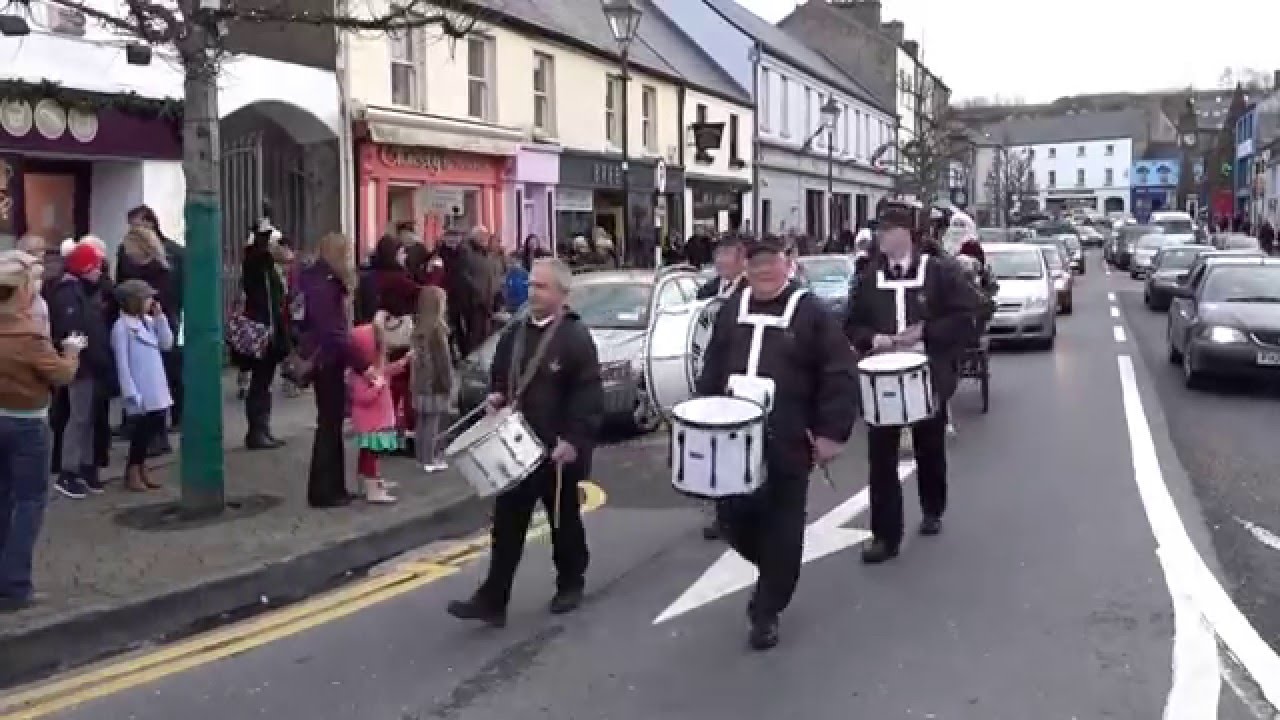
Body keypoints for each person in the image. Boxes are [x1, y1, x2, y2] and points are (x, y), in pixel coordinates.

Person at [694, 236, 859, 651]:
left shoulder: (811, 313)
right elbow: (714, 364)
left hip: (788, 438)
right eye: (756, 264)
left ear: (786, 265)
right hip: (732, 439)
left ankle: (766, 611)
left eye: (772, 263)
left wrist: (830, 433)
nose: (764, 272)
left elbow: (839, 373)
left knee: (784, 525)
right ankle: (776, 570)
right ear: (746, 267)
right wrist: (702, 413)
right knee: (731, 520)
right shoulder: (732, 308)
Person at [448, 258, 604, 627]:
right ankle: (493, 599)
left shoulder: (575, 338)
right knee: (506, 526)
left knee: (563, 522)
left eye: (541, 287)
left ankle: (570, 582)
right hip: (516, 448)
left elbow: (588, 396)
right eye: (531, 285)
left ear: (562, 294)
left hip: (557, 452)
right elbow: (501, 377)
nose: (532, 292)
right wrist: (496, 397)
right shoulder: (515, 332)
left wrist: (573, 441)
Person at [843, 201, 982, 564]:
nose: (880, 237)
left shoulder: (939, 272)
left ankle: (933, 506)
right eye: (879, 231)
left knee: (929, 445)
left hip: (928, 373)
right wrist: (873, 339)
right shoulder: (869, 278)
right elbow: (852, 324)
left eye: (887, 230)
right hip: (882, 378)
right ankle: (885, 536)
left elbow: (971, 314)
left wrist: (927, 331)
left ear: (906, 234)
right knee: (881, 458)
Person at [0, 252, 82, 613]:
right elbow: (62, 375)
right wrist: (71, 351)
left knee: (3, 499)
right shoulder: (29, 335)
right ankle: (16, 584)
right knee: (30, 501)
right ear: (21, 292)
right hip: (28, 422)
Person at [300, 233, 380, 508]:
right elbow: (334, 334)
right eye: (347, 254)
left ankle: (333, 487)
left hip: (322, 357)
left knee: (330, 423)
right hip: (327, 361)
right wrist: (364, 365)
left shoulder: (313, 278)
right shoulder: (327, 284)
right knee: (329, 425)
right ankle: (325, 491)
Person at [692, 234, 748, 541]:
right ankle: (723, 513)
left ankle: (739, 511)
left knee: (740, 446)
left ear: (740, 258)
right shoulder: (709, 290)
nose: (718, 261)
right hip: (713, 376)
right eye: (717, 255)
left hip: (739, 376)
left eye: (724, 255)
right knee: (719, 448)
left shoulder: (750, 291)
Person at [47, 242, 112, 498]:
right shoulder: (69, 295)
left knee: (86, 418)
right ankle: (69, 471)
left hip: (88, 365)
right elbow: (72, 331)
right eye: (95, 266)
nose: (99, 271)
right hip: (81, 366)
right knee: (79, 418)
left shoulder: (81, 292)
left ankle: (84, 467)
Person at [110, 279, 173, 492]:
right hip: (140, 386)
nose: (151, 301)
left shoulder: (148, 321)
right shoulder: (122, 328)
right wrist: (130, 391)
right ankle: (133, 470)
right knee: (141, 432)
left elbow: (167, 343)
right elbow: (122, 363)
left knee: (154, 427)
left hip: (155, 383)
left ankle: (142, 466)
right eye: (147, 298)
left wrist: (160, 319)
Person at [239, 224, 291, 449]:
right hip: (262, 330)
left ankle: (262, 429)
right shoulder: (258, 263)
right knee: (260, 384)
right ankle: (257, 431)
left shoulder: (270, 268)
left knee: (264, 383)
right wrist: (263, 234)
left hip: (269, 329)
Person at [347, 323, 408, 504]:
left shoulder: (369, 371)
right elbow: (362, 398)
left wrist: (402, 362)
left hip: (373, 422)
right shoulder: (361, 376)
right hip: (371, 424)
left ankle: (368, 482)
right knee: (371, 456)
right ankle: (372, 490)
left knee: (369, 455)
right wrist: (378, 387)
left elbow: (385, 371)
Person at [410, 286, 455, 473]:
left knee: (422, 422)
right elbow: (443, 363)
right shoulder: (438, 332)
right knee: (433, 423)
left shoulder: (418, 329)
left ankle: (421, 457)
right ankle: (430, 459)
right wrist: (449, 384)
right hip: (435, 383)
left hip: (420, 382)